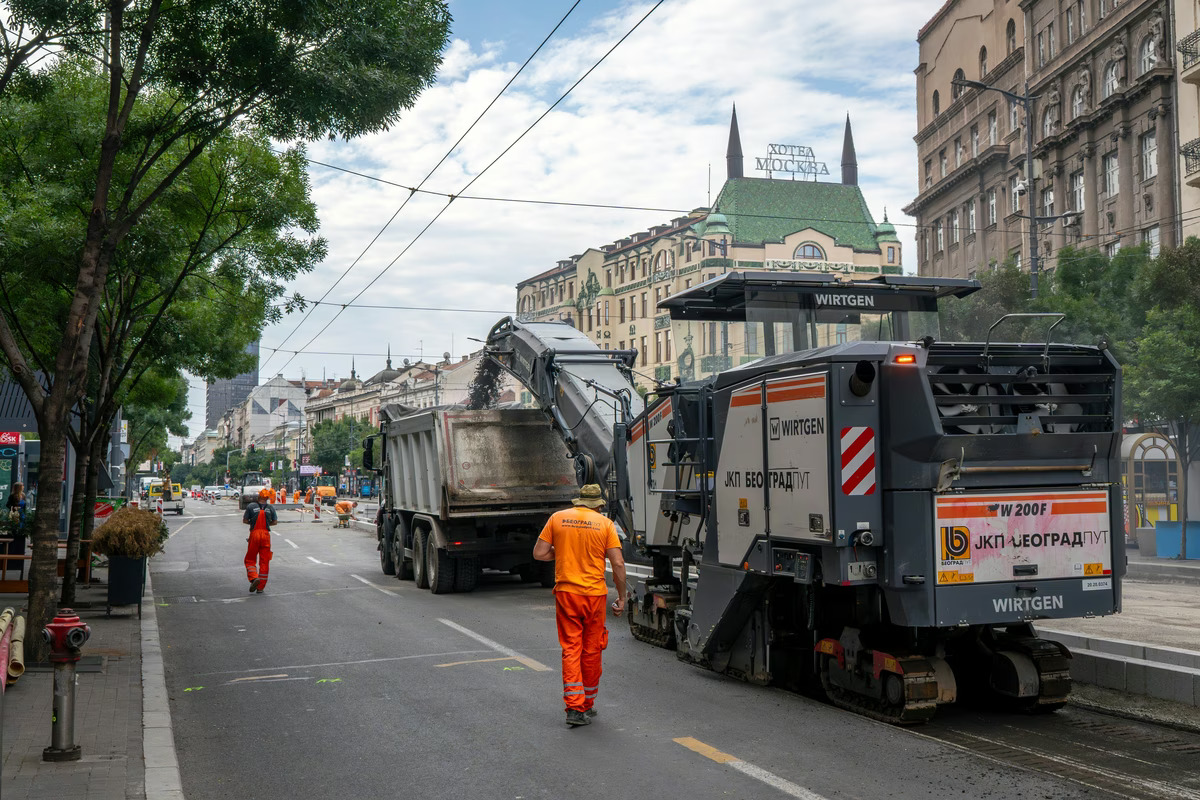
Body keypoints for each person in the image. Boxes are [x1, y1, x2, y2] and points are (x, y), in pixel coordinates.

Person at [532, 483, 626, 727]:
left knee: (571, 648)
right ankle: (587, 704)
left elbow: (539, 554)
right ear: (599, 505)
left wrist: (562, 551)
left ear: (579, 501)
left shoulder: (558, 518)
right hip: (594, 596)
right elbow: (617, 564)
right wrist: (623, 596)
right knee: (592, 650)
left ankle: (574, 707)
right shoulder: (605, 525)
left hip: (567, 594)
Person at [242, 488, 277, 594]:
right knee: (264, 561)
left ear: (258, 497)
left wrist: (253, 524)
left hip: (255, 534)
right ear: (267, 498)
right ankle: (261, 587)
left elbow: (245, 520)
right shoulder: (270, 508)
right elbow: (274, 522)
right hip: (266, 535)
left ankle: (253, 578)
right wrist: (266, 525)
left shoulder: (251, 506)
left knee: (250, 559)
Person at [4, 482, 26, 579]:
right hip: (15, 514)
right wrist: (13, 508)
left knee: (21, 528)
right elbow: (7, 505)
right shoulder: (12, 496)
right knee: (15, 528)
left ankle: (19, 539)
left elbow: (25, 505)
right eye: (22, 486)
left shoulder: (23, 495)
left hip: (21, 514)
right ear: (18, 487)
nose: (24, 487)